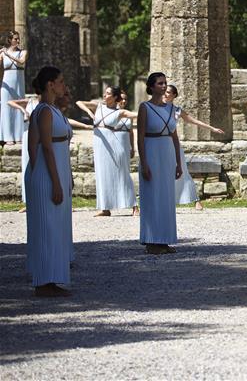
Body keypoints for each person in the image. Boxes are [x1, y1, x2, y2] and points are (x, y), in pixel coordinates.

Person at [24, 66, 73, 297]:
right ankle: (43, 282)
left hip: (57, 172)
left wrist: (67, 176)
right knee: (47, 227)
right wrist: (51, 180)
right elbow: (43, 147)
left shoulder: (54, 110)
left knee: (57, 227)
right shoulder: (43, 111)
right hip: (48, 175)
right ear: (50, 85)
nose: (64, 86)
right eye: (61, 81)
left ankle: (52, 278)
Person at [138, 72, 182, 254]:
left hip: (167, 155)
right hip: (151, 153)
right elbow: (139, 137)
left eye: (165, 83)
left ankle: (164, 239)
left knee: (166, 198)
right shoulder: (145, 108)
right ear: (151, 87)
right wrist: (144, 163)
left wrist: (179, 163)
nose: (164, 86)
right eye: (160, 83)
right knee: (152, 197)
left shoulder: (171, 109)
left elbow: (175, 137)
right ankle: (151, 241)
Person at [76, 87, 137, 217]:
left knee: (123, 174)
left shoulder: (119, 112)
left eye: (108, 93)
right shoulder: (99, 107)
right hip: (100, 147)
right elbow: (79, 102)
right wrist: (89, 113)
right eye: (105, 92)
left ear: (115, 97)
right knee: (102, 175)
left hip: (114, 146)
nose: (105, 95)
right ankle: (105, 208)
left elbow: (136, 115)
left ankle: (135, 206)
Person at [164, 84, 225, 211]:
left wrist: (212, 128)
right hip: (159, 144)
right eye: (164, 91)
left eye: (169, 92)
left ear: (174, 95)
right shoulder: (155, 107)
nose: (165, 93)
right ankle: (163, 201)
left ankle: (195, 200)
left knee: (183, 172)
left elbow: (194, 121)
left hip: (173, 144)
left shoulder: (177, 110)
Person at [8, 94, 38, 210]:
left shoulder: (46, 105)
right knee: (27, 165)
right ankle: (28, 201)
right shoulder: (29, 102)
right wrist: (23, 110)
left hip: (40, 135)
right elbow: (10, 102)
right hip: (28, 135)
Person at [1, 30, 28, 144]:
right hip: (7, 83)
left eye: (18, 38)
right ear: (9, 40)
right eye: (15, 39)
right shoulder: (2, 53)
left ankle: (19, 136)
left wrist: (8, 54)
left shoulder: (23, 52)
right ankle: (8, 137)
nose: (17, 40)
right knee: (6, 108)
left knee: (19, 107)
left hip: (18, 83)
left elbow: (21, 62)